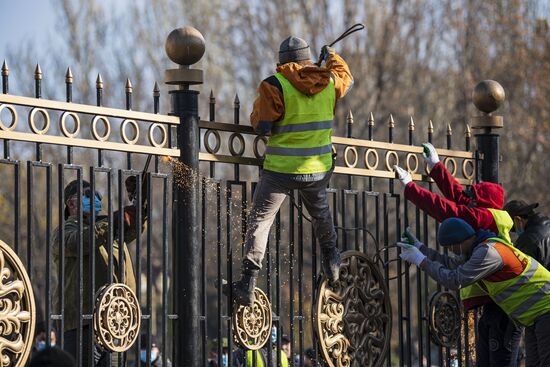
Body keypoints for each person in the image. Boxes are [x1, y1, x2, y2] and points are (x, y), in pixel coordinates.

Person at [224, 36, 353, 306]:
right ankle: (332, 261)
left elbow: (263, 125)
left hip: (281, 171)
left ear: (282, 62)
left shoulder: (275, 84)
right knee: (320, 214)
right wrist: (331, 55)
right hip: (318, 170)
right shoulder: (328, 81)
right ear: (308, 60)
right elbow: (345, 76)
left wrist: (255, 113)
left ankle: (247, 283)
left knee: (261, 220)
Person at [394, 143, 521, 366]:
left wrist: (410, 188)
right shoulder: (486, 215)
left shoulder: (485, 218)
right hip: (490, 303)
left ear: (482, 204)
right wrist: (435, 167)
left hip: (499, 307)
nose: (467, 199)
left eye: (473, 199)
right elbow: (459, 199)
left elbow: (447, 209)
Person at [398, 217, 550, 367]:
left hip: (545, 309)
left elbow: (455, 280)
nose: (451, 251)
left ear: (458, 242)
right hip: (534, 316)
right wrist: (420, 249)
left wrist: (421, 261)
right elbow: (450, 264)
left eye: (450, 247)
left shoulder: (488, 253)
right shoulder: (481, 248)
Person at [52, 179, 143, 367]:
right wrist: (112, 223)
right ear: (71, 203)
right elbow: (78, 242)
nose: (95, 198)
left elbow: (132, 230)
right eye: (88, 195)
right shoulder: (65, 230)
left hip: (114, 320)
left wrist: (140, 207)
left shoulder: (106, 226)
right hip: (82, 324)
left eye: (97, 195)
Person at [504, 200, 550, 268]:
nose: (515, 232)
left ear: (517, 220)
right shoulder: (547, 224)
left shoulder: (527, 240)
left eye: (513, 229)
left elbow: (518, 270)